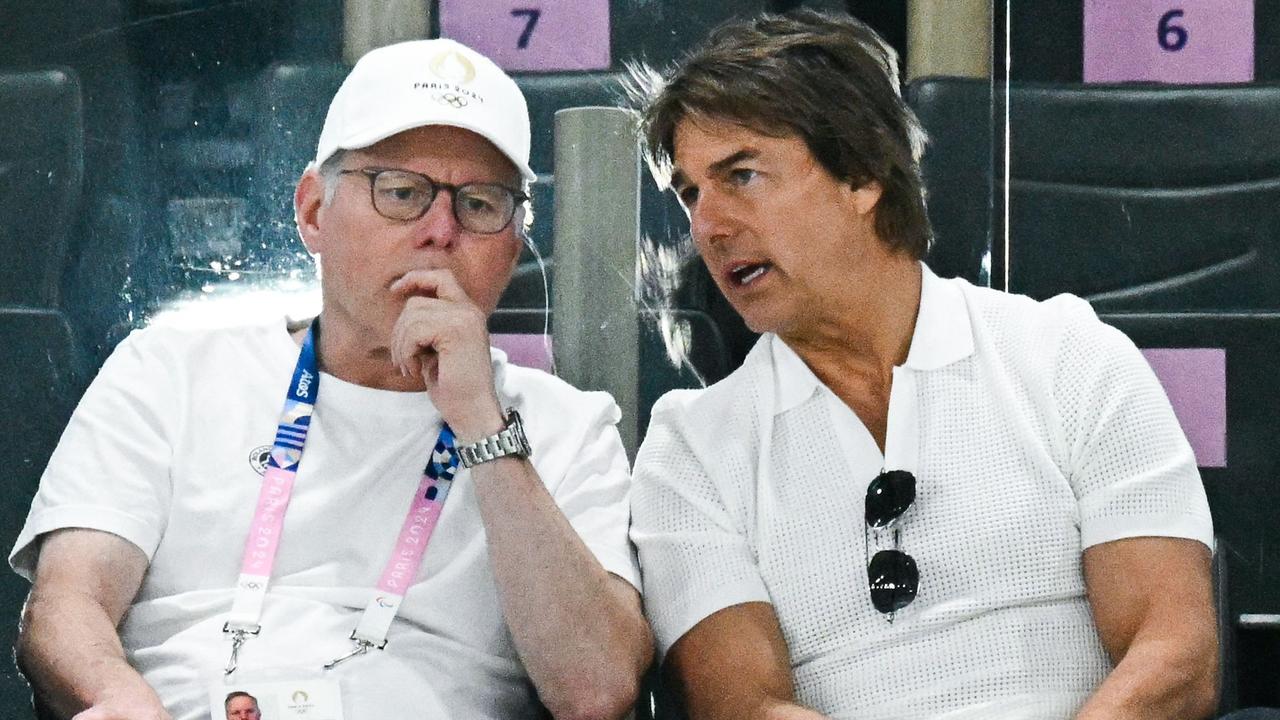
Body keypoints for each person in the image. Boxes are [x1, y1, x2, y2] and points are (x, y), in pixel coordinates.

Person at [11, 38, 651, 720]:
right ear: (314, 211)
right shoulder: (168, 372)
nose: (440, 230)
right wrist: (117, 700)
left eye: (480, 205)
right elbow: (66, 605)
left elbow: (596, 690)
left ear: (514, 246)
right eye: (402, 192)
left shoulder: (568, 426)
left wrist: (480, 423)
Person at [628, 10, 1218, 720]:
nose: (709, 226)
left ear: (863, 175)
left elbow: (1175, 653)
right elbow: (745, 706)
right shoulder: (691, 446)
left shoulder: (1067, 354)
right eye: (691, 193)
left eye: (743, 175)